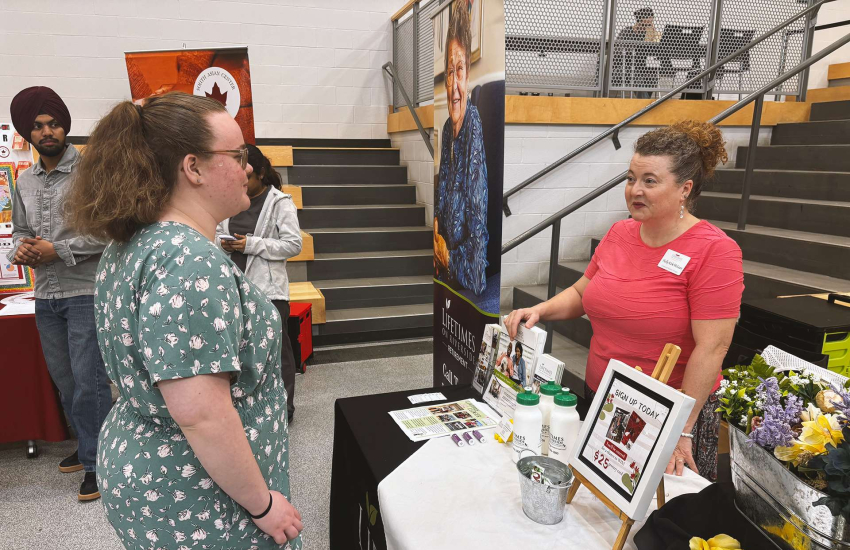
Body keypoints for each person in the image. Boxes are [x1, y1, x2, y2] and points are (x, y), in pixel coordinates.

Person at [66, 92, 303, 548]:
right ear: (193, 168)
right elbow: (201, 414)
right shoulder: (189, 261)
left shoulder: (135, 241)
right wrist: (263, 505)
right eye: (237, 156)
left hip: (154, 466)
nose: (247, 169)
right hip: (200, 493)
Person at [506, 121, 743, 482]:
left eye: (650, 181)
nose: (635, 190)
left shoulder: (715, 251)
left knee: (661, 510)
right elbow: (582, 293)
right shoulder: (620, 233)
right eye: (631, 178)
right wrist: (539, 310)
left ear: (685, 189)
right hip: (602, 396)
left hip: (665, 414)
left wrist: (682, 430)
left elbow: (713, 348)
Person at [7, 86, 111, 501]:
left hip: (85, 290)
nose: (47, 131)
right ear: (27, 132)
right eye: (37, 126)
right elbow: (20, 230)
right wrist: (22, 249)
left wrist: (59, 250)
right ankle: (87, 443)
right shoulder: (25, 180)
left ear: (64, 126)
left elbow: (109, 232)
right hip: (46, 294)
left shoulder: (92, 172)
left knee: (89, 381)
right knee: (66, 381)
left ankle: (99, 462)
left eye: (53, 123)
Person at [216, 144, 302, 423]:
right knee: (242, 352)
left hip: (269, 291)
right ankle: (249, 406)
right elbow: (213, 232)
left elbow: (293, 245)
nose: (242, 183)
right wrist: (222, 244)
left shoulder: (280, 202)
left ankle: (284, 407)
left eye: (248, 178)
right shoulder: (229, 199)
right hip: (234, 288)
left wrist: (250, 244)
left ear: (261, 173)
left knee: (278, 353)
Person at [434, 0, 488, 296]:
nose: (454, 85)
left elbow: (478, 245)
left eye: (460, 70)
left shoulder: (473, 123)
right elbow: (442, 195)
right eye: (449, 73)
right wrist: (435, 228)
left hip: (463, 279)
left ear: (468, 77)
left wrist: (448, 257)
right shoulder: (446, 129)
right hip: (444, 271)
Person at [612, 7, 662, 98]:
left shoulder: (649, 34)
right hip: (622, 68)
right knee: (636, 76)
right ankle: (645, 103)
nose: (650, 24)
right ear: (640, 20)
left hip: (641, 69)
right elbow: (617, 52)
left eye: (651, 22)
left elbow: (656, 52)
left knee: (653, 75)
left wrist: (653, 38)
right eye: (648, 22)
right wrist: (637, 47)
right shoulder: (627, 32)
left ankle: (644, 101)